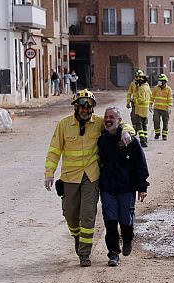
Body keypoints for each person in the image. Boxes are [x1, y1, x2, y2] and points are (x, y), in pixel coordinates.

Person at [44, 90, 135, 267]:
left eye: (89, 108)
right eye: (82, 107)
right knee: (71, 215)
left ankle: (84, 254)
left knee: (88, 216)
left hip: (91, 177)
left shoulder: (99, 122)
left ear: (92, 108)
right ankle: (77, 237)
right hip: (70, 177)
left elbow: (121, 123)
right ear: (76, 107)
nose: (85, 110)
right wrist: (49, 173)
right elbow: (54, 151)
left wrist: (126, 132)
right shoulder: (63, 125)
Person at [97, 106, 149, 266]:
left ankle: (127, 239)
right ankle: (113, 253)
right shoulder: (101, 139)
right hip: (108, 189)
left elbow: (140, 163)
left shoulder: (129, 140)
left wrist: (142, 187)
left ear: (119, 120)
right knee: (110, 222)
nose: (108, 120)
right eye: (106, 117)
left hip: (126, 188)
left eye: (112, 117)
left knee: (126, 220)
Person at [126, 70, 151, 147]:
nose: (138, 78)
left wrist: (135, 100)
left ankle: (141, 137)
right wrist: (128, 102)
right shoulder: (133, 84)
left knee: (140, 121)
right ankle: (136, 130)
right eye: (137, 77)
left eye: (139, 77)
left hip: (139, 104)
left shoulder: (143, 86)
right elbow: (129, 93)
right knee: (134, 117)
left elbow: (145, 96)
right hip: (136, 105)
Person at [151, 73, 173, 140]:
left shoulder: (168, 89)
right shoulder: (155, 88)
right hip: (157, 108)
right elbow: (152, 97)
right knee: (156, 121)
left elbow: (170, 99)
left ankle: (164, 135)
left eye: (160, 81)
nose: (159, 82)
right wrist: (150, 105)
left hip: (165, 109)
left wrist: (169, 107)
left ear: (164, 82)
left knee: (165, 122)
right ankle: (157, 133)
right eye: (159, 80)